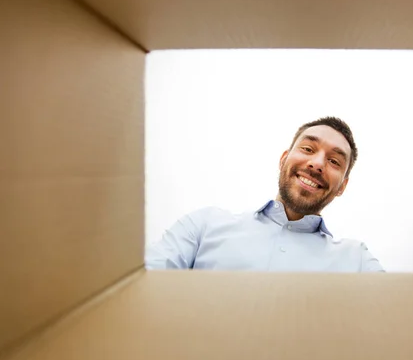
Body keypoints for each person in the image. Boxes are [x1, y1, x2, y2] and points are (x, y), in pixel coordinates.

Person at [145, 116, 384, 272]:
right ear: (283, 160)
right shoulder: (203, 227)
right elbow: (141, 285)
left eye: (334, 161)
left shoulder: (357, 261)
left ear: (342, 186)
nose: (317, 163)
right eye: (308, 149)